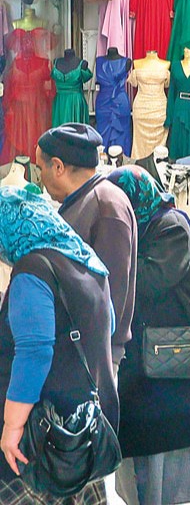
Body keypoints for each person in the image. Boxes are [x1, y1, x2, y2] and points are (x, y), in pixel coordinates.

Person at [105, 167, 190, 505]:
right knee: (144, 449)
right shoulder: (136, 228)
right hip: (144, 359)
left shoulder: (171, 225)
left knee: (168, 451)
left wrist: (112, 258)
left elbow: (151, 281)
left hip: (172, 355)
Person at [0, 186, 117, 505]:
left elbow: (35, 352)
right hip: (80, 432)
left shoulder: (32, 271)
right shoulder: (85, 261)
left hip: (40, 437)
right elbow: (108, 325)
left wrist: (12, 426)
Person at [35, 123, 138, 368]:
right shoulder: (83, 201)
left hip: (93, 359)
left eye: (40, 168)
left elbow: (110, 297)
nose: (39, 177)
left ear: (58, 167)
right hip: (77, 352)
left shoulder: (105, 206)